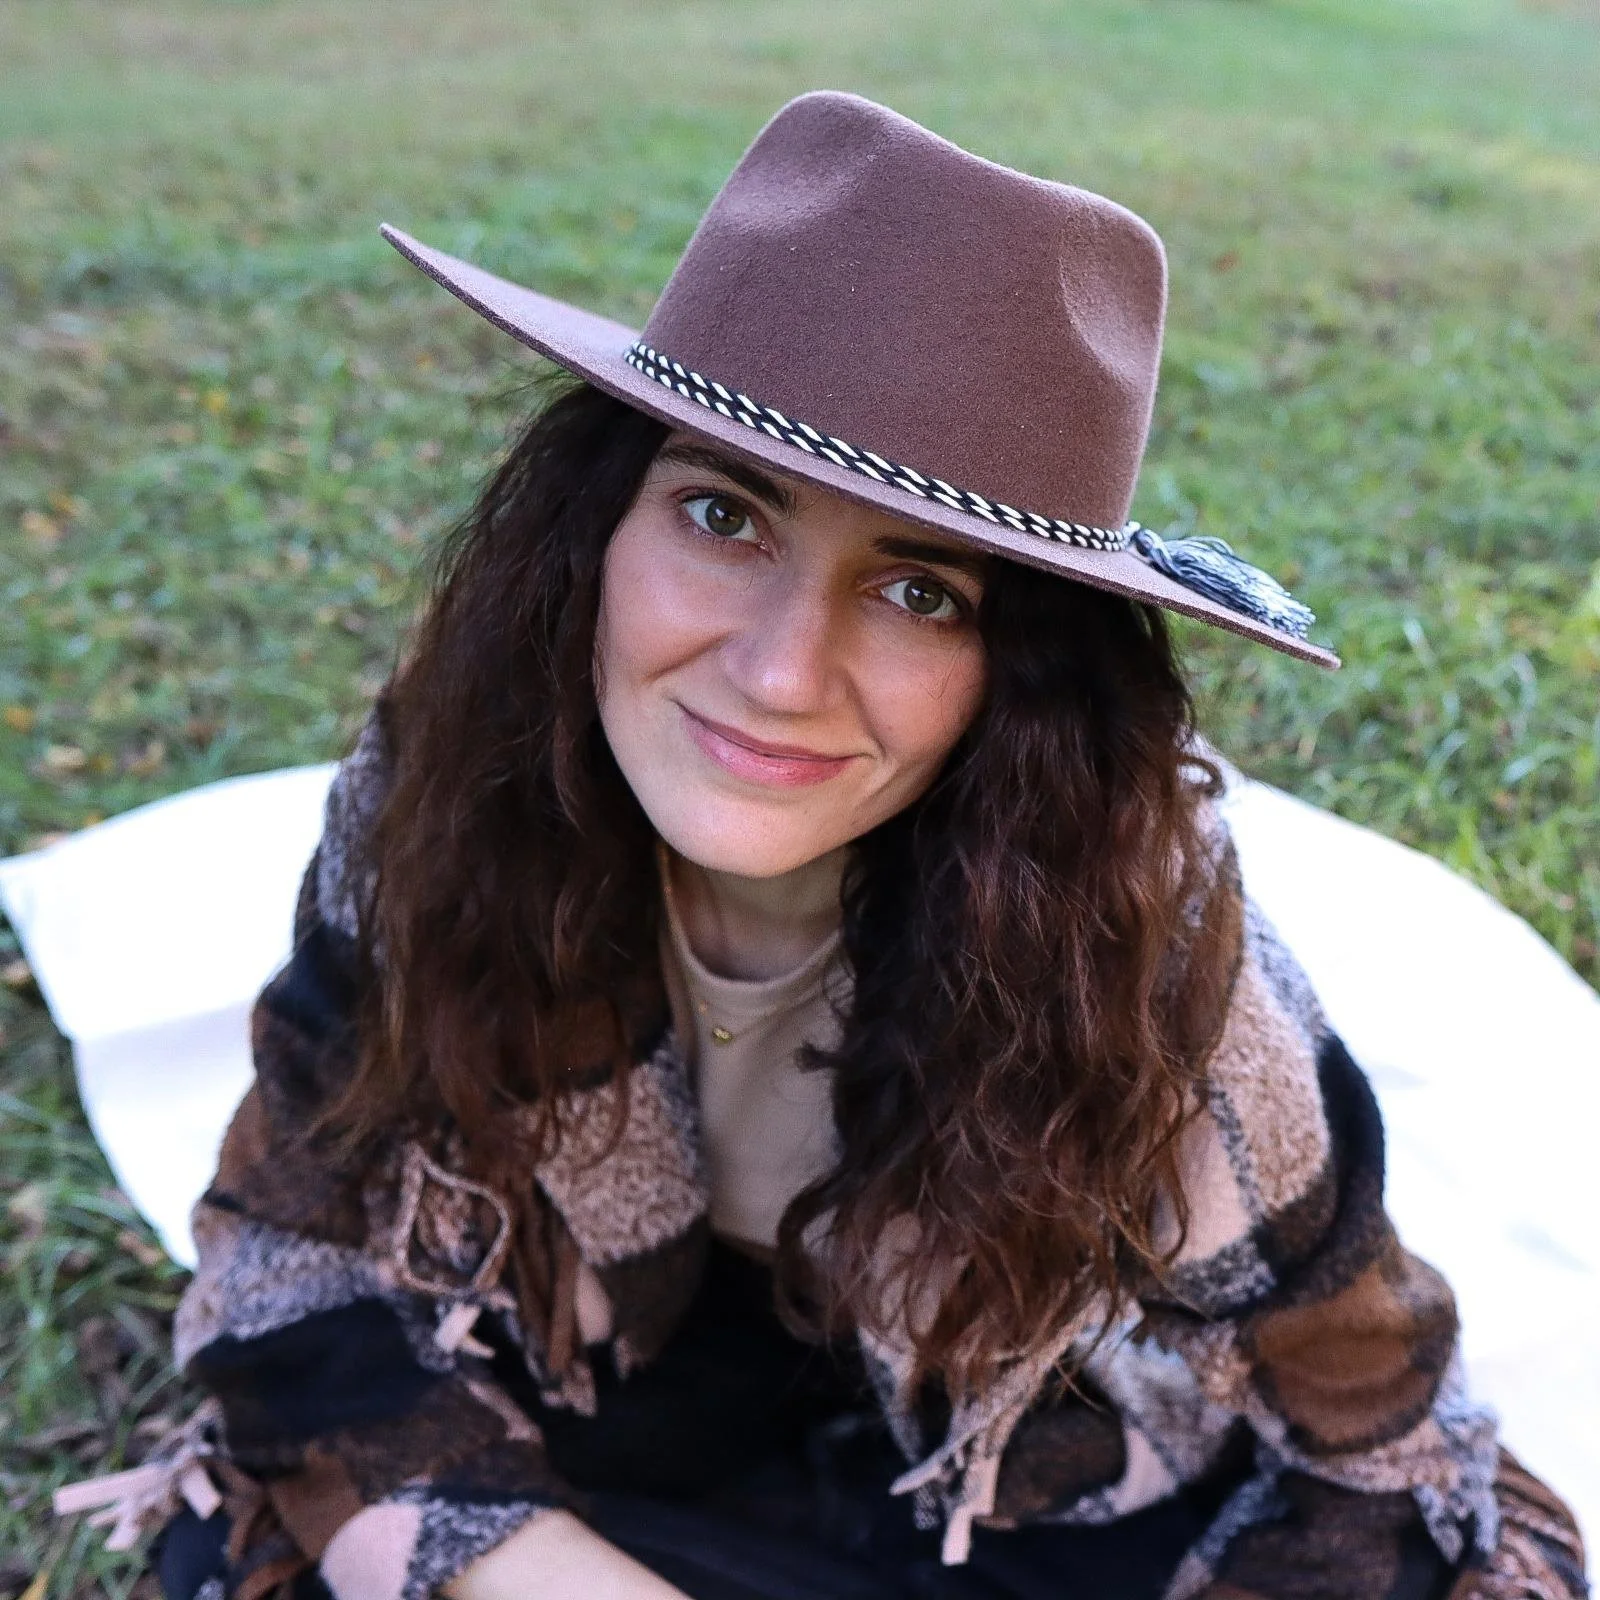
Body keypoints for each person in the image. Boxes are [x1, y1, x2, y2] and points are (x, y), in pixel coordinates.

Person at [133, 93, 1584, 1600]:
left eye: (918, 595)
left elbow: (1392, 1465)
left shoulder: (1157, 978)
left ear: (1019, 676)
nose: (775, 673)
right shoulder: (454, 795)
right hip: (623, 1370)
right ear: (593, 529)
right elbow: (293, 1271)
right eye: (721, 512)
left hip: (1010, 1475)